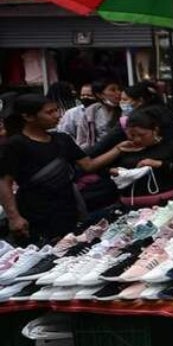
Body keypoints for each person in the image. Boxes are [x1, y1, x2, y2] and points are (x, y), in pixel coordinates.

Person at [0, 94, 135, 244]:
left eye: (56, 110)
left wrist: (118, 149)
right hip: (36, 211)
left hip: (68, 207)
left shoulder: (62, 139)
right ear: (28, 117)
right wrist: (14, 217)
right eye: (49, 112)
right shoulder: (15, 145)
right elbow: (4, 182)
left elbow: (89, 165)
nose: (57, 115)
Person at [111, 109, 173, 208]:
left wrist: (159, 164)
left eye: (142, 135)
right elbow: (108, 169)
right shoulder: (125, 148)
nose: (137, 139)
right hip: (130, 205)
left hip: (165, 203)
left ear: (155, 130)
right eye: (132, 135)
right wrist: (116, 172)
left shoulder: (171, 147)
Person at [89, 81, 173, 155]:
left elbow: (101, 147)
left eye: (125, 100)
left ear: (140, 100)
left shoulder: (132, 121)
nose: (122, 103)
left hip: (144, 172)